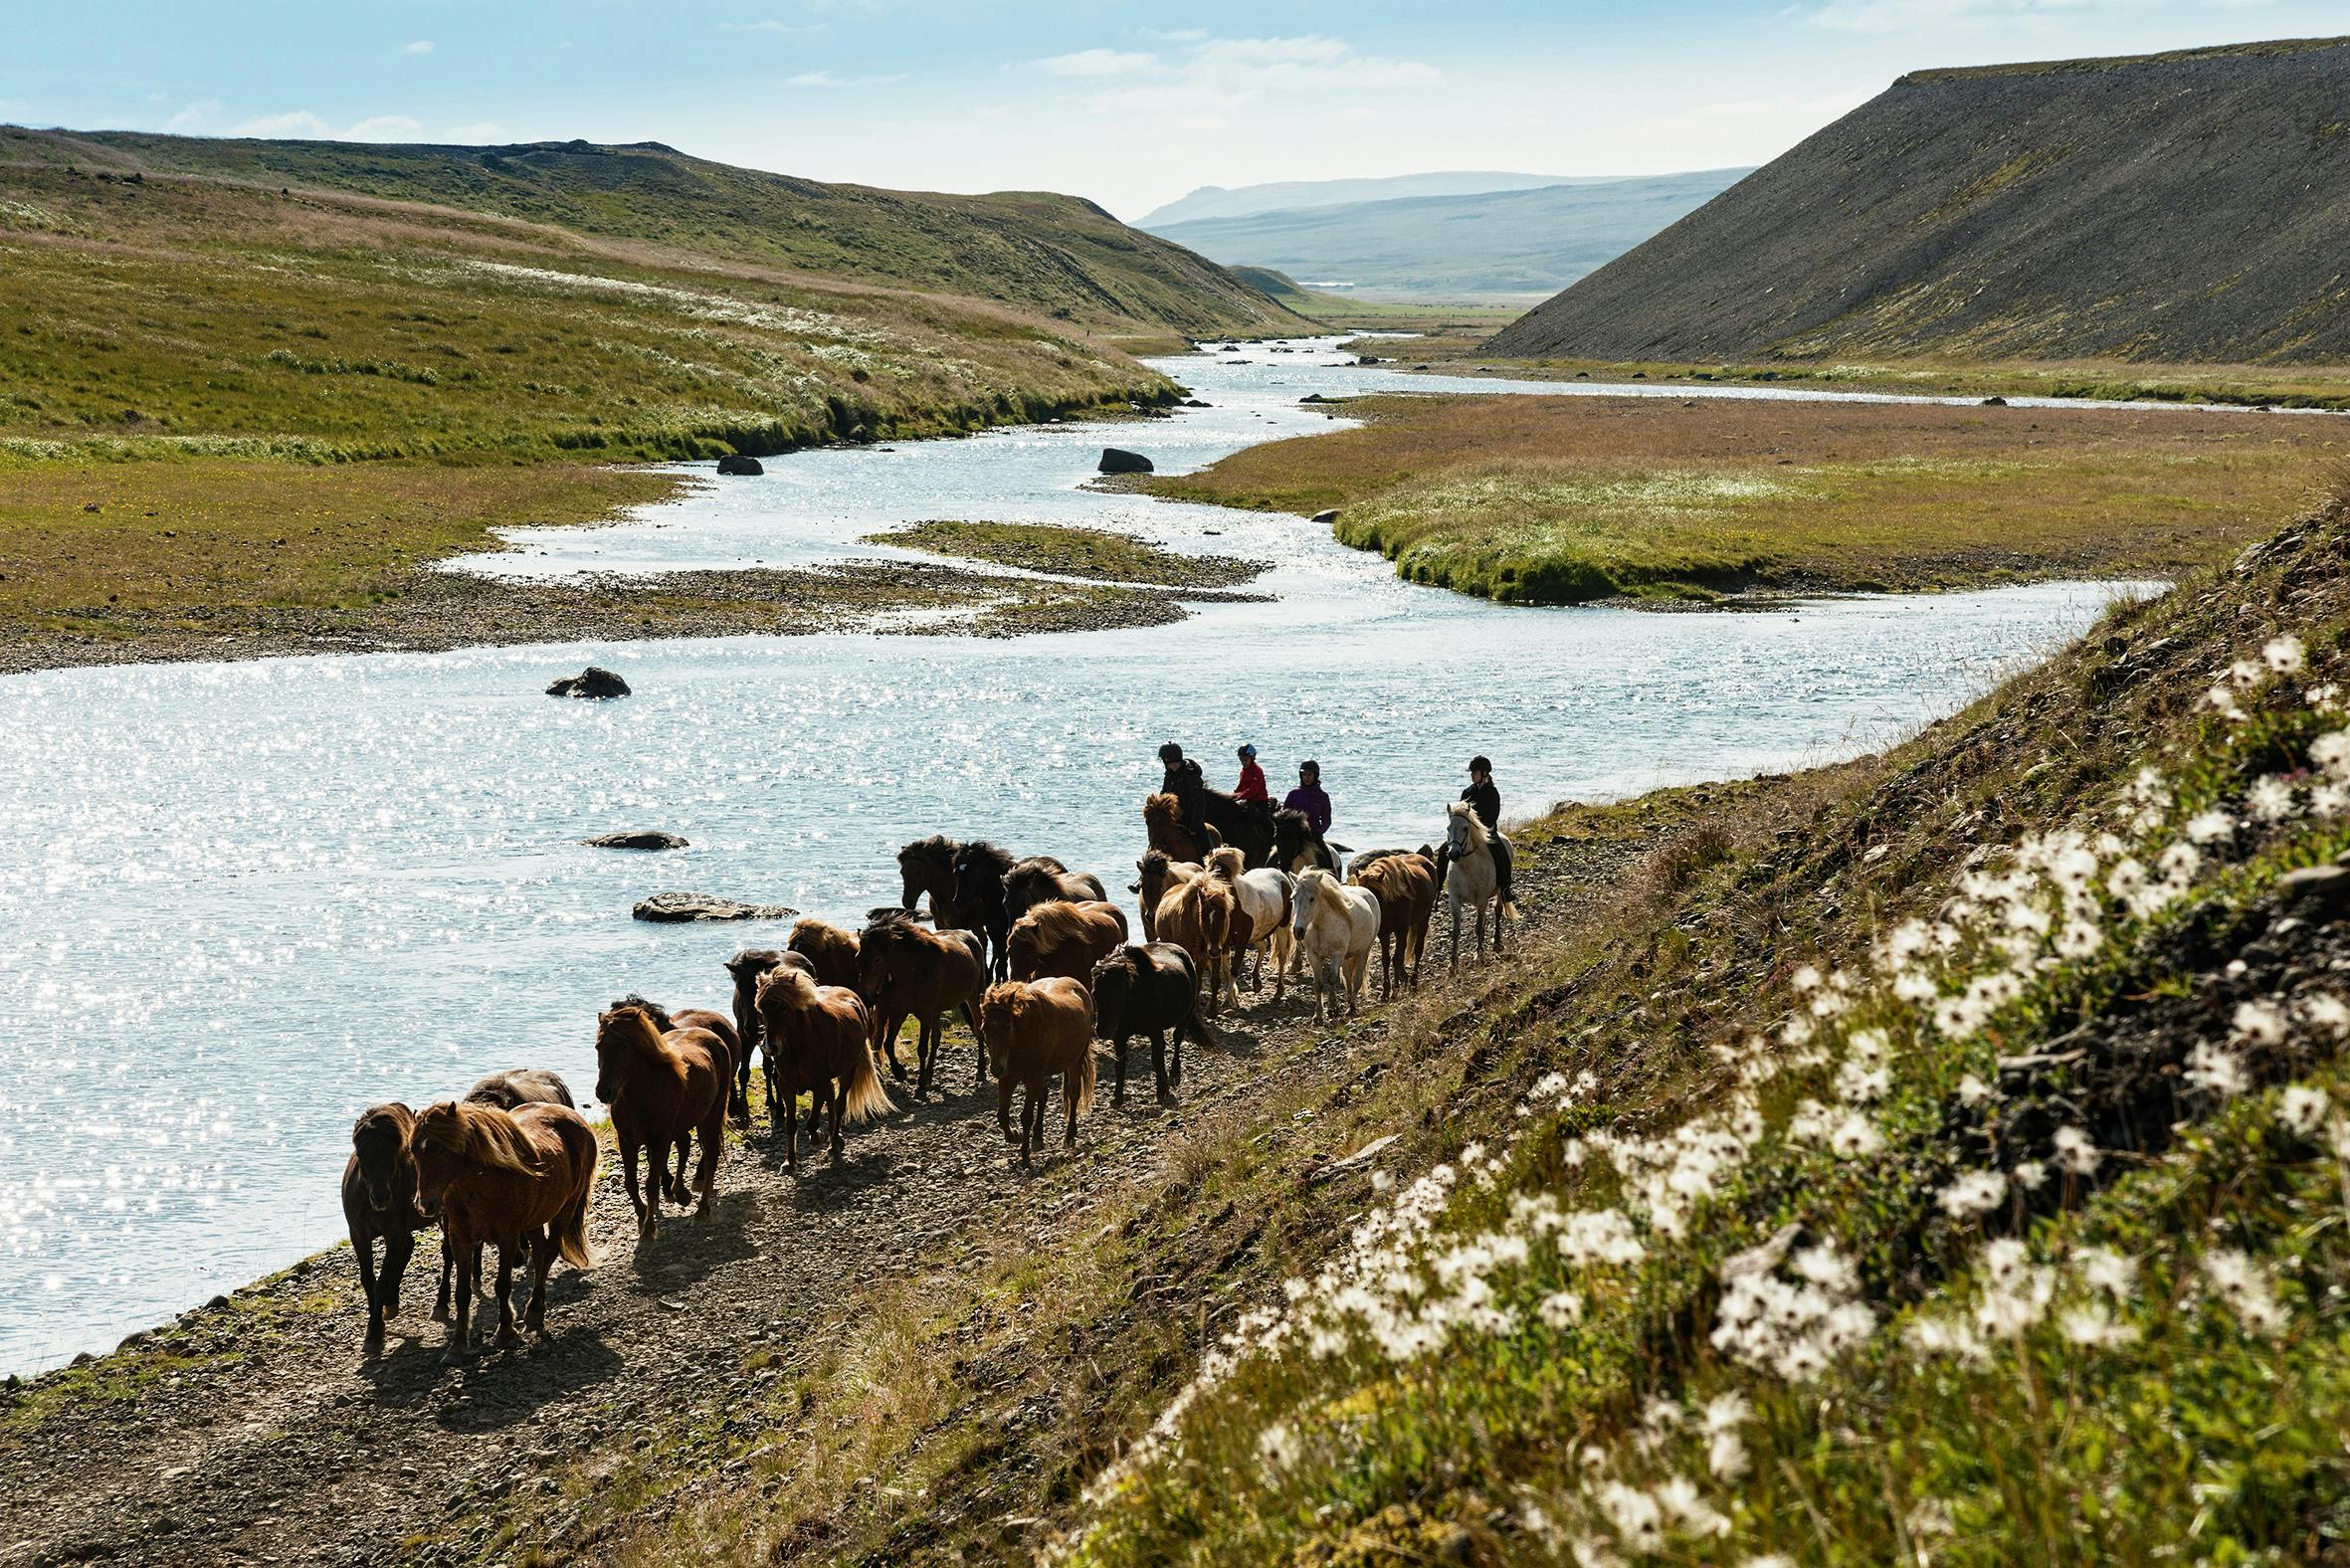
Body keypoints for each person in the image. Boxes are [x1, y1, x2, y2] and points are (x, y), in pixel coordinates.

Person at [1461, 755, 1514, 912]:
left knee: (1501, 853)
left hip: (1488, 832)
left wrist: (1480, 829)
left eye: (1474, 772)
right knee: (1446, 849)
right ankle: (1439, 885)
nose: (1472, 775)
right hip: (1468, 834)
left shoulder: (1492, 792)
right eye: (1471, 772)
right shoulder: (1467, 792)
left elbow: (1493, 815)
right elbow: (1461, 813)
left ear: (1484, 773)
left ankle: (1505, 888)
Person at [1284, 760, 1331, 836]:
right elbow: (1285, 816)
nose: (1306, 777)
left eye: (1309, 774)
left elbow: (1327, 820)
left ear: (1315, 776)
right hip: (1294, 836)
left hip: (1314, 836)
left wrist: (1318, 832)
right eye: (1304, 774)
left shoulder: (1323, 796)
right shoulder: (1293, 794)